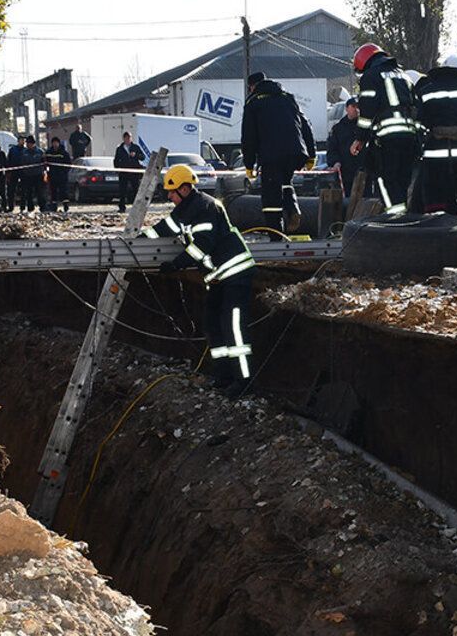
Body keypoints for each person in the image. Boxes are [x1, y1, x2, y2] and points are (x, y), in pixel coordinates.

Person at [143, 164, 255, 396]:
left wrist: (176, 264)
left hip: (235, 273)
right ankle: (224, 375)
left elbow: (203, 245)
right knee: (213, 325)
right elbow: (163, 228)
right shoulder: (185, 210)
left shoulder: (205, 207)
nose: (170, 196)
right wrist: (138, 240)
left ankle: (243, 381)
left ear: (185, 189)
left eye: (172, 192)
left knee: (233, 328)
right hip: (218, 278)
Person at [241, 71, 315, 237]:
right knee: (286, 182)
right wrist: (311, 154)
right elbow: (305, 126)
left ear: (252, 87)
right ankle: (293, 208)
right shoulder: (288, 98)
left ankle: (276, 236)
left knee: (270, 197)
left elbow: (249, 136)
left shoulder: (253, 103)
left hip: (270, 155)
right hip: (295, 152)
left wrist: (248, 164)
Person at [349, 43, 419, 211]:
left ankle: (394, 220)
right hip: (410, 136)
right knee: (403, 180)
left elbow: (366, 112)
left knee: (385, 179)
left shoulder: (371, 76)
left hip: (388, 137)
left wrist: (360, 138)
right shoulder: (404, 76)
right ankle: (404, 218)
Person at [412, 54, 457, 216]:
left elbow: (419, 121)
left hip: (434, 150)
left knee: (434, 188)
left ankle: (437, 227)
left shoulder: (426, 91)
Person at [326, 98, 362, 197]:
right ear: (346, 108)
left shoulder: (364, 128)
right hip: (346, 173)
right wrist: (335, 162)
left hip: (363, 172)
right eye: (353, 106)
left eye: (358, 107)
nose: (356, 109)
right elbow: (332, 149)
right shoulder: (338, 128)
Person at [113, 131, 146, 212]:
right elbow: (116, 160)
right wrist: (117, 169)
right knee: (122, 191)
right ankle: (122, 208)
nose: (128, 139)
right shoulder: (120, 148)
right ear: (124, 138)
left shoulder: (135, 147)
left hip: (134, 172)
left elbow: (143, 157)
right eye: (127, 138)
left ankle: (137, 208)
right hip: (123, 172)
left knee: (136, 190)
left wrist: (136, 155)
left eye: (130, 138)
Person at [18, 135, 47, 212]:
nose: (27, 145)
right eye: (27, 143)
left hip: (38, 175)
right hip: (28, 176)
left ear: (33, 143)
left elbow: (44, 163)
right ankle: (30, 208)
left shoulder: (40, 152)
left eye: (29, 143)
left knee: (40, 193)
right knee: (29, 193)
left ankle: (42, 207)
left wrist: (44, 173)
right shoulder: (24, 152)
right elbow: (22, 163)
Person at [44, 137, 72, 213]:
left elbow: (68, 164)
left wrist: (64, 172)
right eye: (53, 143)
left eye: (56, 142)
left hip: (62, 176)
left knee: (64, 191)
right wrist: (47, 172)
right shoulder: (49, 152)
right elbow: (45, 163)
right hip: (52, 176)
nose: (55, 144)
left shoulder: (64, 153)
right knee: (53, 192)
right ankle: (54, 206)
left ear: (59, 143)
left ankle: (65, 206)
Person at [4, 136, 23, 212]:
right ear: (18, 141)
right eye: (21, 140)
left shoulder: (25, 150)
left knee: (23, 190)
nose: (23, 142)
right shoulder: (12, 150)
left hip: (23, 173)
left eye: (23, 141)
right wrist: (8, 172)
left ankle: (22, 207)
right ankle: (11, 207)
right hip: (13, 172)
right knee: (11, 190)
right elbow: (8, 161)